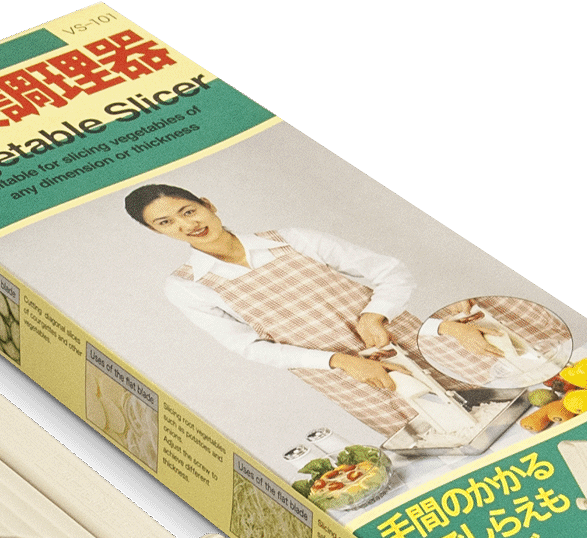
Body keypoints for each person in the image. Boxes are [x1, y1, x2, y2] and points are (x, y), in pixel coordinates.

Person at [126, 183, 499, 439]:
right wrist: (340, 361)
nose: (187, 224)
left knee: (496, 404)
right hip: (347, 377)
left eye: (189, 210)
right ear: (157, 232)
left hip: (407, 341)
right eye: (166, 222)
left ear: (208, 204)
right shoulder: (187, 285)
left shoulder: (292, 240)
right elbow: (249, 347)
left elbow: (390, 272)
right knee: (443, 435)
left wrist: (375, 314)